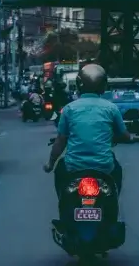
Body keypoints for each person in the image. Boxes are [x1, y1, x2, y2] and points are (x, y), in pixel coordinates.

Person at [43, 64, 131, 196]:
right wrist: (112, 137)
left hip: (74, 166)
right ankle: (113, 201)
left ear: (79, 84)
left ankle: (63, 203)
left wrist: (50, 164)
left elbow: (61, 140)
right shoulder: (111, 108)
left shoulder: (69, 109)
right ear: (103, 86)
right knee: (117, 172)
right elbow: (125, 136)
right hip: (104, 166)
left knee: (59, 170)